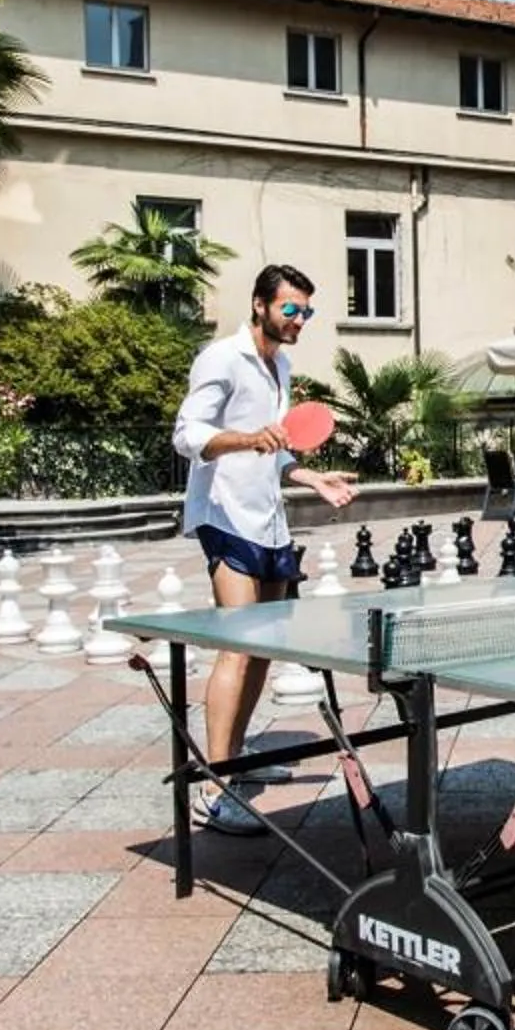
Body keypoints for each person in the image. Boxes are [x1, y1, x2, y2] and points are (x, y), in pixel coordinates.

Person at [172, 263, 357, 836]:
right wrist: (247, 439)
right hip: (225, 517)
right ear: (260, 305)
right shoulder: (221, 358)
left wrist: (312, 478)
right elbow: (187, 434)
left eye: (307, 311)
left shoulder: (281, 363)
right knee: (238, 645)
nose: (300, 319)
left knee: (264, 648)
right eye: (291, 309)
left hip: (269, 520)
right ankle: (212, 785)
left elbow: (277, 451)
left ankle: (239, 759)